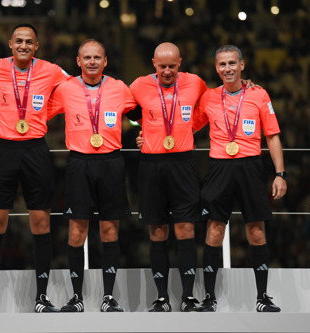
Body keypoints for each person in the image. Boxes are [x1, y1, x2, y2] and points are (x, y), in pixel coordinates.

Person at [0, 23, 70, 313]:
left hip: (36, 150)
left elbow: (76, 90)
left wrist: (45, 112)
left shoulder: (51, 70)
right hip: (3, 150)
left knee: (41, 223)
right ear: (10, 44)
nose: (24, 45)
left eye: (29, 41)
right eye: (19, 41)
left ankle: (41, 297)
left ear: (36, 46)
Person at [46, 39, 139, 312]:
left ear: (105, 61)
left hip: (111, 162)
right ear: (78, 61)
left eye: (97, 57)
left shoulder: (119, 88)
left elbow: (139, 115)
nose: (92, 62)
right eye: (87, 57)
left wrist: (146, 131)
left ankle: (108, 297)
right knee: (77, 231)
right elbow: (39, 113)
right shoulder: (65, 89)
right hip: (79, 163)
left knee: (110, 230)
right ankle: (77, 298)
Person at [193, 45, 287, 312]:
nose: (227, 69)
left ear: (242, 65)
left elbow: (272, 136)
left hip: (250, 167)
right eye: (222, 64)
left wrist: (280, 174)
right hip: (219, 168)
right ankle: (209, 298)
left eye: (232, 63)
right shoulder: (209, 97)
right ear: (216, 68)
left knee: (256, 231)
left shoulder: (259, 94)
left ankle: (262, 297)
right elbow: (188, 126)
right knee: (214, 230)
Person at [129, 42, 207, 312]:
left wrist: (189, 127)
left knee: (185, 229)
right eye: (162, 66)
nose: (167, 72)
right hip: (151, 164)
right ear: (153, 63)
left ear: (180, 63)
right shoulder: (139, 85)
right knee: (158, 231)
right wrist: (141, 130)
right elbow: (126, 110)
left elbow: (209, 105)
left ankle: (187, 297)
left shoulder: (195, 83)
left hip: (183, 163)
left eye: (172, 66)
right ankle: (161, 298)